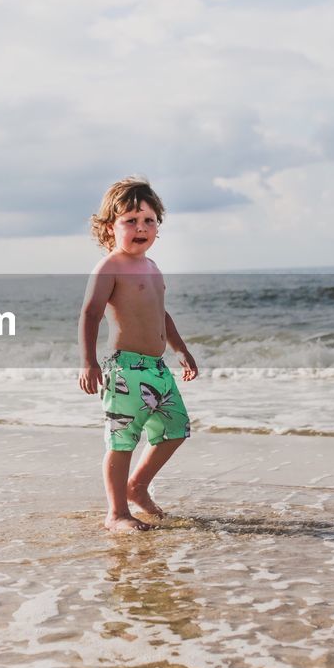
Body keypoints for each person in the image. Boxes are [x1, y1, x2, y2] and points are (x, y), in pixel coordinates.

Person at [78, 177, 198, 532]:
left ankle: (137, 486)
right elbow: (90, 313)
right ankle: (116, 513)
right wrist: (88, 362)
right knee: (122, 440)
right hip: (125, 369)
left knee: (176, 430)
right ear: (109, 228)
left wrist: (182, 349)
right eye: (130, 221)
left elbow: (161, 313)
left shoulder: (153, 267)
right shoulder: (110, 267)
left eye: (148, 220)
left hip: (157, 368)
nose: (141, 228)